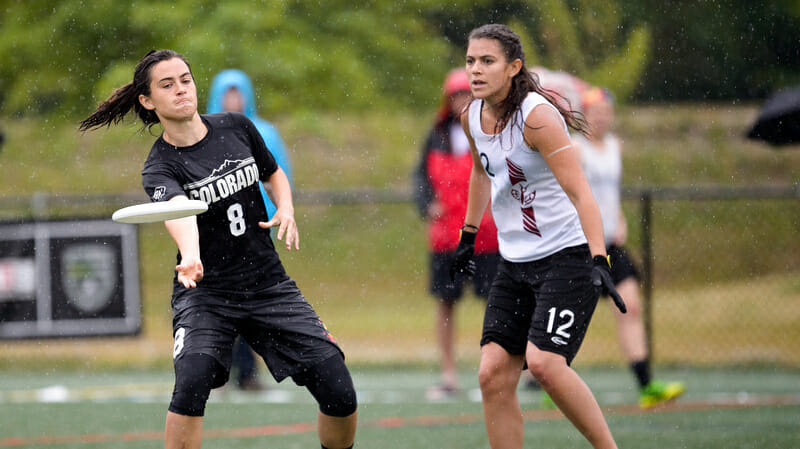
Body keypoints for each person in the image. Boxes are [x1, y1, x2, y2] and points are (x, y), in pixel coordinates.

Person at [78, 50, 357, 449]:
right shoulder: (159, 165)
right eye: (167, 84)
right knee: (190, 384)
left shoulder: (237, 127)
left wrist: (287, 208)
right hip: (206, 293)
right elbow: (177, 210)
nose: (181, 90)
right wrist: (190, 253)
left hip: (268, 285)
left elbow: (273, 172)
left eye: (185, 79)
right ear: (146, 100)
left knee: (339, 390)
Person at [450, 24, 626, 448]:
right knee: (491, 373)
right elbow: (479, 170)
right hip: (516, 263)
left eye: (487, 61)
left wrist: (599, 259)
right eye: (471, 61)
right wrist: (468, 235)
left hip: (567, 256)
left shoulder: (537, 116)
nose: (475, 70)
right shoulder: (471, 115)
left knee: (544, 363)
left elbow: (581, 192)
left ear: (514, 67)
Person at [574, 86, 686, 408]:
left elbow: (610, 193)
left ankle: (646, 385)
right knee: (575, 314)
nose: (601, 119)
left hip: (610, 244)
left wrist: (618, 217)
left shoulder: (613, 147)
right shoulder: (575, 148)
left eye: (606, 113)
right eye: (595, 113)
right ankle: (549, 376)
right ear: (585, 115)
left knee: (631, 307)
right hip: (582, 245)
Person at [413, 68, 501, 400]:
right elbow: (419, 178)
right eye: (455, 96)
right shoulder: (435, 136)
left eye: (466, 94)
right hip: (446, 237)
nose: (460, 101)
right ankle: (449, 375)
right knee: (446, 303)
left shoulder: (491, 132)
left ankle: (493, 370)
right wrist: (427, 205)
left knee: (494, 303)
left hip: (486, 237)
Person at [207, 68, 294, 391]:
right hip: (217, 239)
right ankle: (220, 370)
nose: (233, 99)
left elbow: (278, 178)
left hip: (257, 233)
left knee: (253, 304)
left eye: (238, 92)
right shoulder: (205, 134)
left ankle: (248, 370)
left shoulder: (265, 133)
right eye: (227, 93)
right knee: (217, 304)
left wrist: (278, 217)